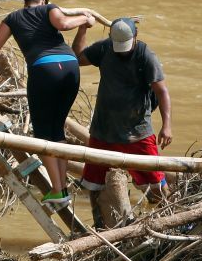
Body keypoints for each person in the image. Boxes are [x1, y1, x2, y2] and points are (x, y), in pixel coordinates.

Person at [0, 0, 93, 208]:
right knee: (56, 129)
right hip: (70, 67)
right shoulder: (49, 8)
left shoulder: (13, 18)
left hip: (44, 70)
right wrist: (86, 18)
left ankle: (58, 190)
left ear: (25, 0)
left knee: (44, 133)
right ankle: (61, 188)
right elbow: (62, 23)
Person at [72, 16, 172, 227]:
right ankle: (100, 225)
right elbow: (78, 57)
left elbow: (161, 91)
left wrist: (166, 125)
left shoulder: (145, 55)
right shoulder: (105, 48)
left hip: (136, 132)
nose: (123, 50)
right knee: (94, 183)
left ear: (135, 37)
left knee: (156, 183)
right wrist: (82, 30)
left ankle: (168, 218)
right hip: (103, 130)